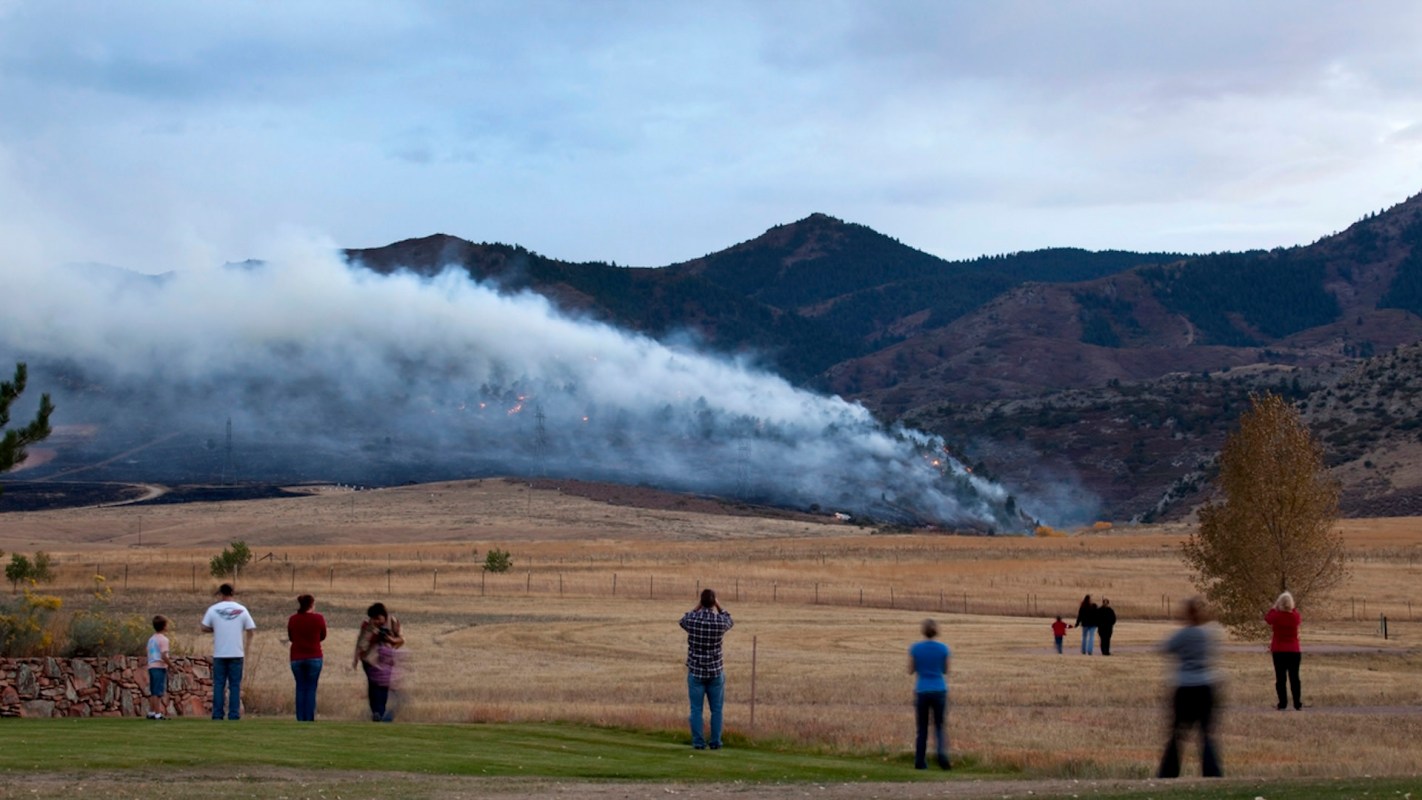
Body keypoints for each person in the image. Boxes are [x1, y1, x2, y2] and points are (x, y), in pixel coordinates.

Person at [1157, 596, 1223, 779]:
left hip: (1185, 686)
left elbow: (1165, 647)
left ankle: (1168, 774)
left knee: (1178, 733)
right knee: (1206, 734)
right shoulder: (1210, 633)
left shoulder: (1183, 635)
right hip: (1206, 685)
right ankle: (1212, 774)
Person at [679, 588, 734, 750]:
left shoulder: (693, 620)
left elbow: (683, 620)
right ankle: (715, 742)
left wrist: (697, 607)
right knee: (716, 710)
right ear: (713, 602)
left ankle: (698, 742)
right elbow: (729, 619)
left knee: (696, 709)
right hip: (715, 671)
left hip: (696, 671)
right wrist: (718, 605)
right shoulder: (719, 622)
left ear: (701, 602)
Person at [201, 583, 256, 720]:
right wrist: (247, 647)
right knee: (235, 685)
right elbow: (251, 629)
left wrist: (216, 629)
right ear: (233, 593)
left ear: (220, 593)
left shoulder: (214, 609)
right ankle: (233, 714)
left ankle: (218, 714)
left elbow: (203, 627)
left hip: (220, 653)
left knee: (219, 685)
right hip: (237, 652)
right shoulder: (241, 610)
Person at [908, 618, 951, 770]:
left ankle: (920, 761)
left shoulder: (915, 648)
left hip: (922, 690)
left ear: (923, 631)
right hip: (939, 689)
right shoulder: (944, 649)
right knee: (939, 726)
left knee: (922, 728)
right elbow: (946, 670)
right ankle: (942, 758)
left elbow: (910, 670)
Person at [353, 602, 404, 722]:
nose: (376, 621)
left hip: (386, 660)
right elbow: (361, 642)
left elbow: (401, 640)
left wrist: (390, 639)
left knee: (383, 687)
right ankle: (376, 712)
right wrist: (356, 658)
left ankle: (380, 712)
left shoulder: (393, 622)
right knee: (373, 688)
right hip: (369, 660)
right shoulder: (367, 625)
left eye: (378, 618)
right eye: (373, 619)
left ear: (383, 616)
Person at [287, 593, 327, 722]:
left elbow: (291, 637)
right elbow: (323, 635)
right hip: (314, 656)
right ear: (311, 605)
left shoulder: (293, 619)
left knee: (300, 687)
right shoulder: (319, 619)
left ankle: (300, 717)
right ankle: (309, 717)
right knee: (311, 688)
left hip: (297, 657)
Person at [1265, 591, 1302, 710]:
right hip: (1294, 650)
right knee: (1294, 678)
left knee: (1280, 678)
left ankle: (1282, 703)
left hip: (1279, 650)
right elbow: (1296, 614)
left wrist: (1273, 608)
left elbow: (1267, 619)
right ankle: (1297, 703)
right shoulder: (1295, 616)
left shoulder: (1277, 616)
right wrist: (1292, 608)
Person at [145, 615, 172, 720]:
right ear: (164, 626)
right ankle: (158, 714)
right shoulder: (164, 640)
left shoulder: (151, 639)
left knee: (153, 691)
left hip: (151, 666)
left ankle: (151, 712)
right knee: (158, 692)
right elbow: (163, 655)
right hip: (159, 666)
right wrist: (172, 666)